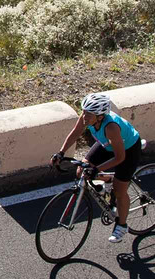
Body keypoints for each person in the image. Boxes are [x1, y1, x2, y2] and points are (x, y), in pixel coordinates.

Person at [52, 92, 142, 243]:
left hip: (127, 150)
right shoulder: (88, 117)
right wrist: (61, 153)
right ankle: (107, 179)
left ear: (100, 116)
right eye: (84, 111)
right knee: (82, 170)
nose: (84, 116)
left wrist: (97, 169)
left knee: (120, 191)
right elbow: (75, 133)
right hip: (106, 144)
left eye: (89, 114)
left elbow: (119, 158)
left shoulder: (111, 127)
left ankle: (122, 225)